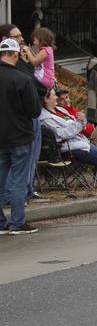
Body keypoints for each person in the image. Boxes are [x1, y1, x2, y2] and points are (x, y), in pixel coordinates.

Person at [0, 24, 47, 202]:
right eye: (17, 36)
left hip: (8, 130)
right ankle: (17, 218)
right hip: (20, 126)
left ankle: (5, 218)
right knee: (21, 171)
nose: (22, 39)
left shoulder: (21, 64)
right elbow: (33, 106)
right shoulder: (18, 73)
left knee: (8, 172)